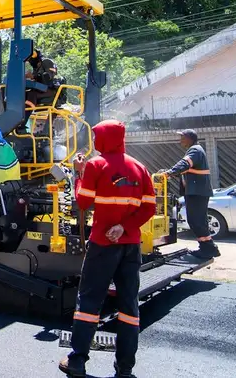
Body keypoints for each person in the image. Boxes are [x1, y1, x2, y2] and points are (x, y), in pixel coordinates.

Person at [59, 120, 156, 378]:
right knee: (128, 306)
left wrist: (79, 173)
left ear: (105, 138)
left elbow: (82, 201)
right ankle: (125, 368)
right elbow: (149, 207)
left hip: (103, 244)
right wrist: (125, 227)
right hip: (130, 246)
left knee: (89, 300)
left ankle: (77, 361)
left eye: (96, 136)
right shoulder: (140, 168)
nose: (94, 141)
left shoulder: (95, 165)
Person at [161, 129, 219, 260]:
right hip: (197, 192)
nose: (180, 140)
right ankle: (208, 248)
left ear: (189, 138)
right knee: (198, 221)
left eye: (182, 137)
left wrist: (169, 173)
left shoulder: (195, 150)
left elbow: (185, 164)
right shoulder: (195, 150)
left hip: (197, 192)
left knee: (196, 221)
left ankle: (208, 249)